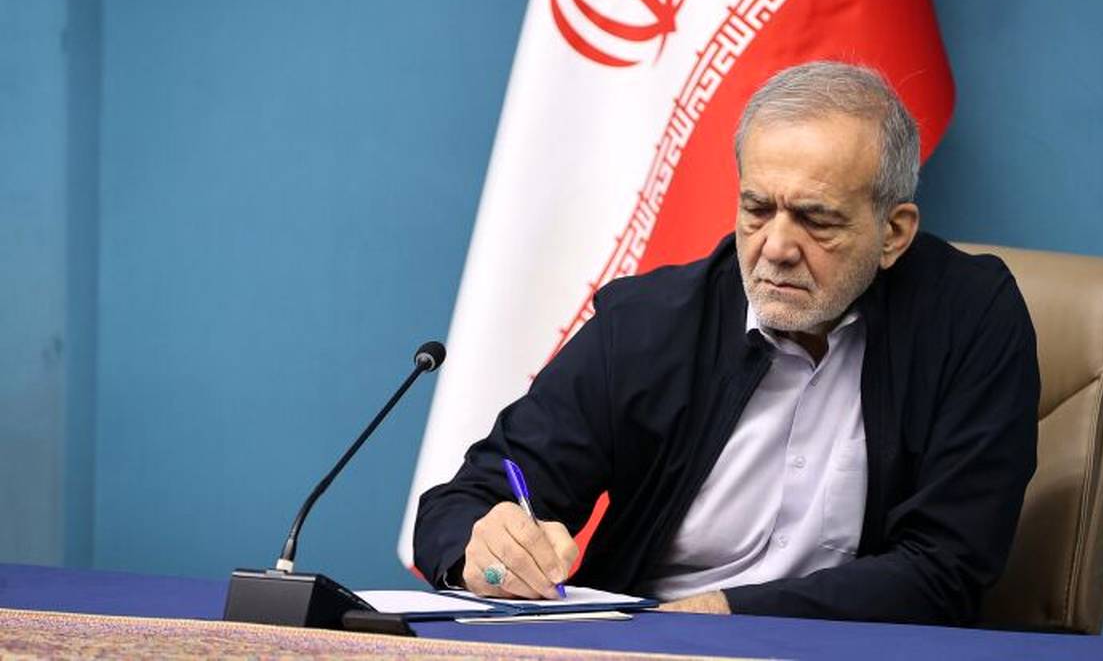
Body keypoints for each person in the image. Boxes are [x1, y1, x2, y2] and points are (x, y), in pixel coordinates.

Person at [413, 61, 1039, 625]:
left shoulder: (969, 318)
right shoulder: (649, 325)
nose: (777, 247)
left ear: (893, 233)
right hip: (647, 648)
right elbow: (465, 502)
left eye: (816, 219)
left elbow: (948, 567)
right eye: (757, 210)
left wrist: (724, 615)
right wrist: (486, 546)